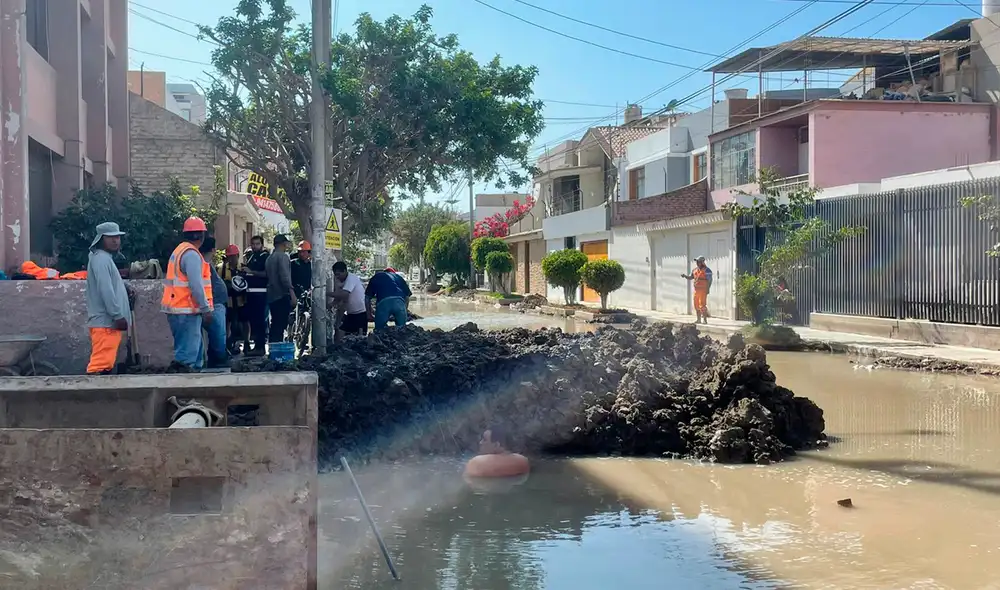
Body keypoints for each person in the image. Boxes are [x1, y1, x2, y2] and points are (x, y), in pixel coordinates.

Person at [162, 217, 213, 370]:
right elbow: (196, 285)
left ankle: (192, 390)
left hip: (181, 311)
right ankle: (181, 390)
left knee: (194, 357)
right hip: (185, 311)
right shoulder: (191, 255)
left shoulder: (179, 251)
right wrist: (206, 309)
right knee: (186, 359)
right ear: (201, 236)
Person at [84, 222, 131, 375]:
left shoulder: (102, 258)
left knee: (105, 365)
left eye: (117, 237)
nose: (115, 240)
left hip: (107, 323)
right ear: (100, 239)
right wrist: (118, 315)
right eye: (110, 237)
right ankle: (91, 398)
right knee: (100, 367)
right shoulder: (102, 259)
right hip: (106, 322)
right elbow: (106, 290)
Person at [199, 237, 230, 368]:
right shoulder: (202, 262)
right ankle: (219, 359)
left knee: (217, 333)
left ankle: (216, 357)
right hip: (213, 303)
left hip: (214, 302)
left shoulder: (204, 261)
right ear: (213, 249)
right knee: (218, 333)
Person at [265, 234, 297, 344]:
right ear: (283, 244)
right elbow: (285, 277)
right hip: (281, 294)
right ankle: (277, 350)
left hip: (271, 295)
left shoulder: (269, 258)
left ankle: (273, 349)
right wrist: (292, 292)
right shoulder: (283, 257)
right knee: (280, 324)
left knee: (274, 323)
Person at [242, 235, 270, 356]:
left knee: (259, 321)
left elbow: (266, 273)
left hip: (260, 292)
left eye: (257, 244)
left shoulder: (264, 257)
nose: (254, 246)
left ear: (262, 245)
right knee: (253, 321)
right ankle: (256, 347)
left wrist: (251, 272)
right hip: (250, 293)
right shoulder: (251, 256)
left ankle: (260, 347)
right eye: (253, 244)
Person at [219, 244, 246, 355]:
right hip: (228, 301)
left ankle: (246, 342)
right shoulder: (221, 269)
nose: (232, 259)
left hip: (241, 300)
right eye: (230, 256)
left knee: (244, 322)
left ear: (238, 256)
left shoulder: (243, 267)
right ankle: (228, 344)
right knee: (228, 323)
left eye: (234, 256)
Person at [329, 260, 368, 336]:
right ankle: (338, 347)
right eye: (335, 275)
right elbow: (339, 297)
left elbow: (344, 295)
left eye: (338, 274)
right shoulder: (339, 281)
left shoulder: (351, 278)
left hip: (360, 313)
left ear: (344, 271)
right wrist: (332, 304)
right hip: (350, 314)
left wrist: (326, 293)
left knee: (360, 338)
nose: (337, 277)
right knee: (339, 332)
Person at [681, 255, 713, 324]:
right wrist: (685, 276)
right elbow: (691, 277)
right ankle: (698, 319)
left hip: (703, 290)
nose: (697, 263)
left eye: (699, 262)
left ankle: (704, 320)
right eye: (697, 262)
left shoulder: (707, 270)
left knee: (702, 305)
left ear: (702, 262)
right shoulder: (694, 270)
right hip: (696, 290)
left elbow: (710, 280)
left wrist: (708, 289)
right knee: (696, 305)